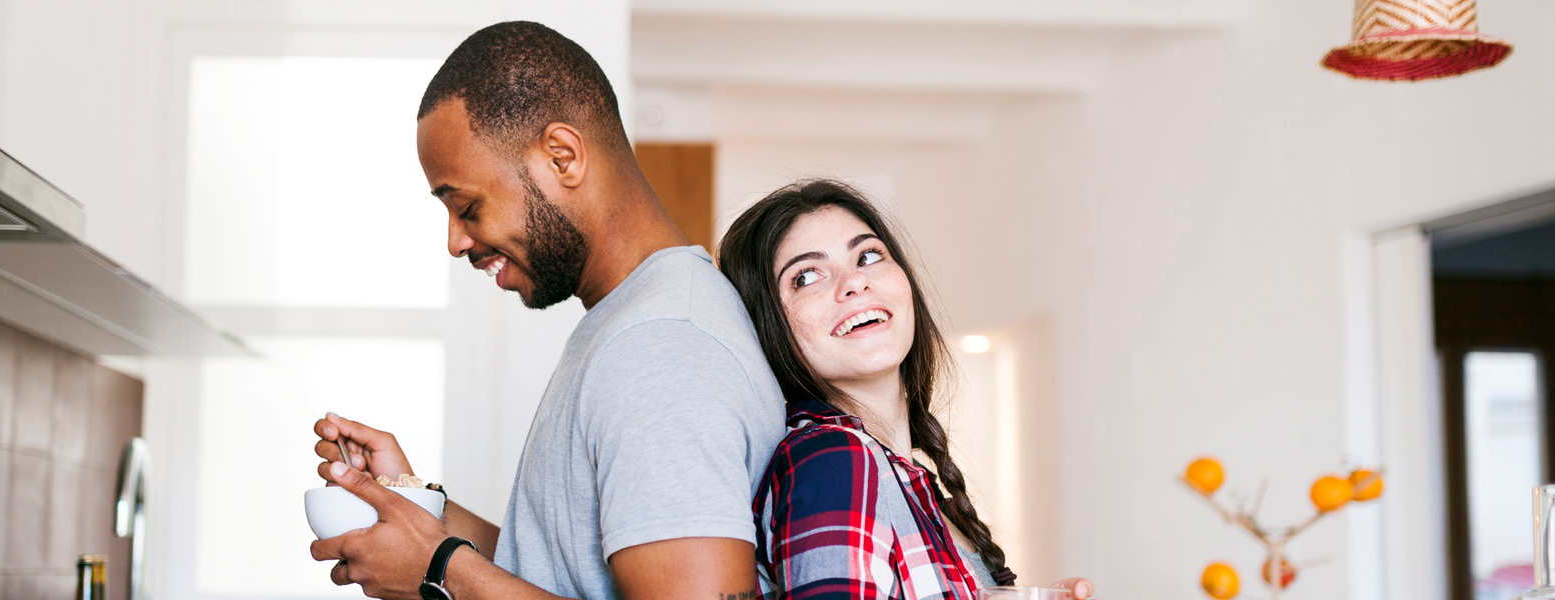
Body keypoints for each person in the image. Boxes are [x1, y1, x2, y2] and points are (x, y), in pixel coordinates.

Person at [306, 21, 787, 600]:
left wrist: (440, 572)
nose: (456, 241)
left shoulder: (662, 347)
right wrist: (416, 507)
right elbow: (563, 572)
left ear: (562, 157)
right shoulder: (634, 320)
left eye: (467, 206)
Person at [717, 180, 1095, 599]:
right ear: (769, 323)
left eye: (868, 255)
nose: (854, 283)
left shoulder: (911, 482)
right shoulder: (834, 458)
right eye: (806, 276)